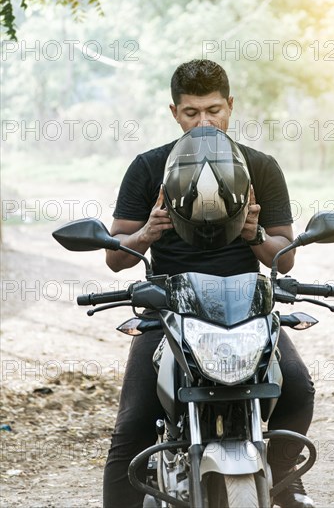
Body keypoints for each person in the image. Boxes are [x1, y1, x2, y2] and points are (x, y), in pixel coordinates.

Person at [103, 59, 315, 508]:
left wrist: (253, 235)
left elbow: (286, 256)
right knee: (133, 424)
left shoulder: (261, 166)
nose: (204, 122)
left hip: (247, 307)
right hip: (169, 308)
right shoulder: (148, 168)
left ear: (231, 106)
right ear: (174, 112)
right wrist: (147, 232)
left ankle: (282, 478)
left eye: (214, 110)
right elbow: (115, 257)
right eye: (191, 112)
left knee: (297, 386)